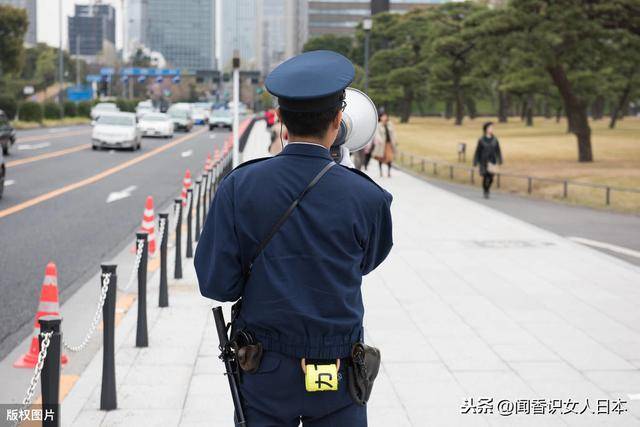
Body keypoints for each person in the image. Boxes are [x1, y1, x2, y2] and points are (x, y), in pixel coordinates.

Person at [194, 50, 393, 427]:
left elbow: (216, 284)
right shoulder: (368, 196)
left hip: (265, 368)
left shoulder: (240, 186)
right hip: (339, 371)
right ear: (338, 121)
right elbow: (367, 262)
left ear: (280, 120)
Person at [473, 121, 503, 199]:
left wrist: (499, 160)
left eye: (492, 128)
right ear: (486, 129)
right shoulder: (481, 140)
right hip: (483, 162)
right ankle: (485, 191)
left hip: (492, 161)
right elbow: (477, 151)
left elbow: (498, 150)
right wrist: (475, 161)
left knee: (491, 178)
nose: (491, 129)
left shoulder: (495, 139)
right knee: (485, 176)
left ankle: (487, 188)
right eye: (490, 127)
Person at [371, 111, 397, 177]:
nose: (384, 117)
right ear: (380, 117)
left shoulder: (389, 124)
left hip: (389, 144)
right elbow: (377, 134)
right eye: (383, 116)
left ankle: (389, 172)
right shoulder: (379, 125)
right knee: (381, 158)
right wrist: (379, 140)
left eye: (385, 116)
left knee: (389, 158)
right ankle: (381, 172)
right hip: (381, 145)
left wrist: (395, 140)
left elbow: (393, 133)